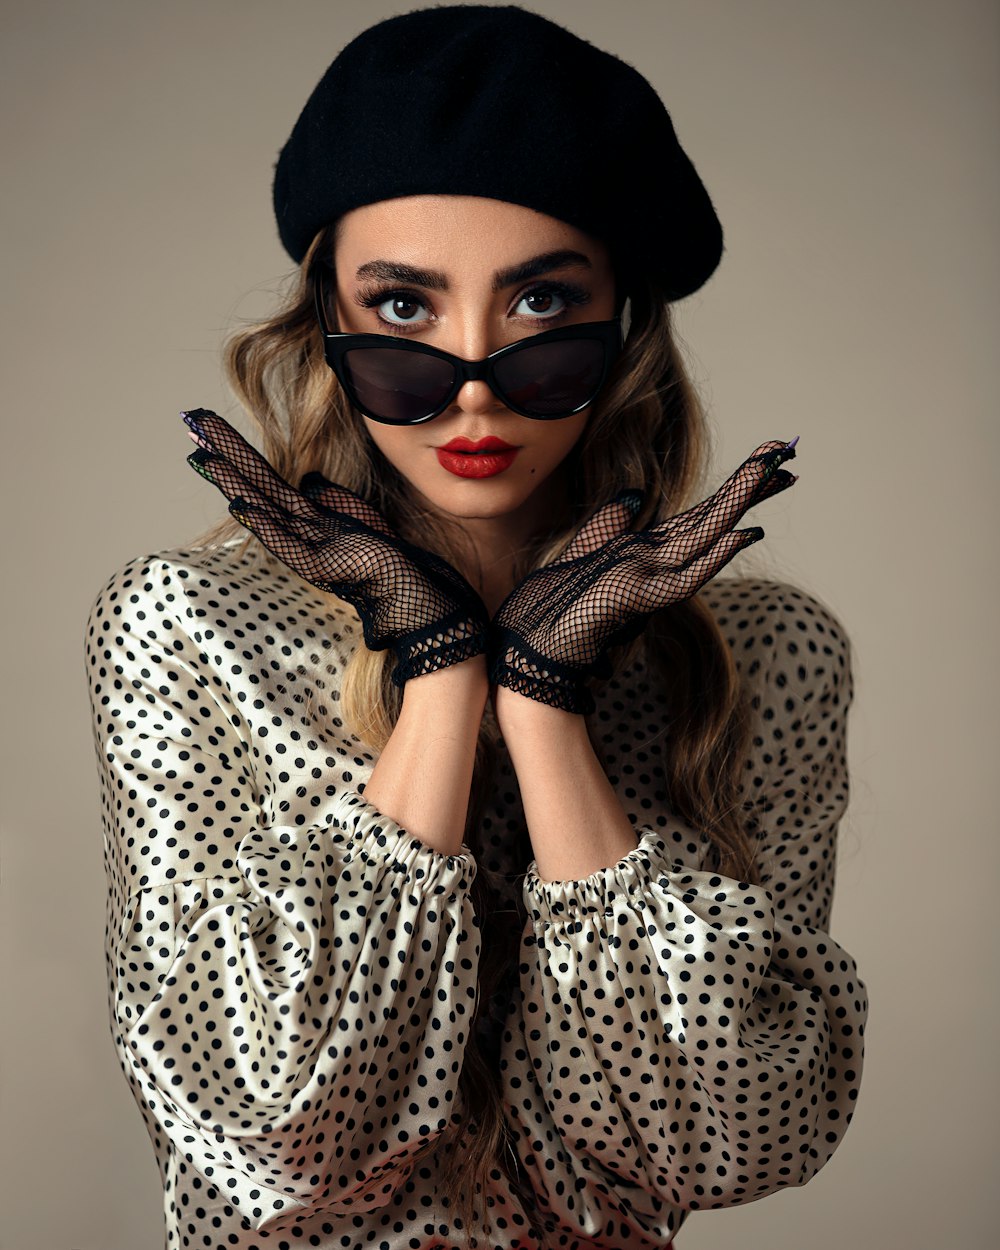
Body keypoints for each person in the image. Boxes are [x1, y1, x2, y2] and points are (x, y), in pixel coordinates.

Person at [84, 6, 867, 1248]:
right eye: (401, 308)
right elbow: (262, 1123)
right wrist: (440, 680)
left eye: (540, 300)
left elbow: (736, 1136)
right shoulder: (188, 623)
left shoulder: (766, 658)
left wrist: (544, 710)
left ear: (621, 327)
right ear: (324, 325)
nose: (469, 379)